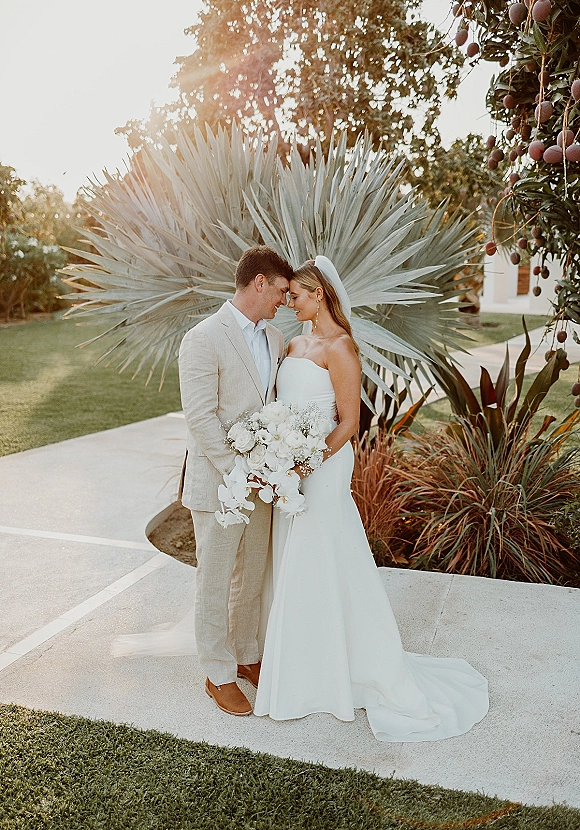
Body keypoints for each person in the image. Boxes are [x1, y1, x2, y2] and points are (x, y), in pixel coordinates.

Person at [253, 256, 489, 742]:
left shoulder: (341, 348)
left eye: (295, 295)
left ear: (318, 294)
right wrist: (278, 451)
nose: (288, 302)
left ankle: (337, 672)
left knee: (319, 553)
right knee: (297, 559)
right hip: (292, 467)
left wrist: (307, 460)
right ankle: (308, 664)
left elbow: (349, 423)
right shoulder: (294, 343)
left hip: (324, 466)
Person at [177, 245, 292, 717]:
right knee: (216, 577)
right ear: (259, 283)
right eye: (281, 291)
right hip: (221, 482)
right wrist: (236, 470)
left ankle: (247, 655)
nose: (285, 300)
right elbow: (200, 417)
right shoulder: (203, 338)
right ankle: (217, 671)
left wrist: (272, 465)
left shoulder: (278, 339)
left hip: (263, 483)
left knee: (252, 576)